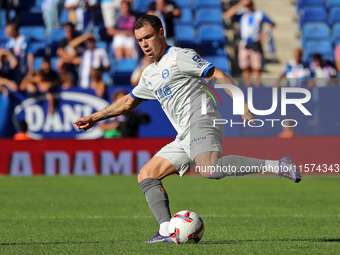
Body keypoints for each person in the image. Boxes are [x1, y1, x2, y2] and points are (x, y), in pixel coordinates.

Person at [74, 15, 301, 243]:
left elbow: (219, 75)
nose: (144, 44)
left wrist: (239, 102)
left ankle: (278, 165)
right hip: (184, 135)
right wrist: (95, 117)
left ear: (161, 33)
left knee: (208, 169)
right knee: (147, 175)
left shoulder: (180, 57)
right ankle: (165, 231)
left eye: (148, 37)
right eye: (140, 40)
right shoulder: (149, 74)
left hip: (202, 121)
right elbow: (127, 102)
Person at [225, 0, 275, 87]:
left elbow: (272, 24)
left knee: (256, 68)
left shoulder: (259, 14)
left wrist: (264, 35)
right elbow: (228, 15)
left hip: (255, 44)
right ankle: (247, 86)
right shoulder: (242, 14)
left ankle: (257, 86)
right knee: (245, 67)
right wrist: (240, 4)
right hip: (244, 44)